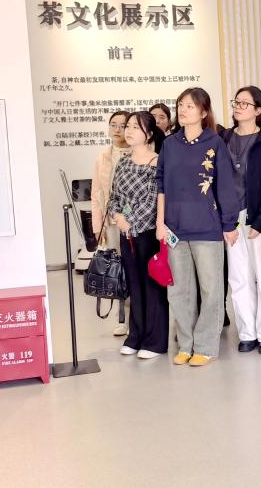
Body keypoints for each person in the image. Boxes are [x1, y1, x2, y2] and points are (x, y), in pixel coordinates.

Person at [155, 87, 240, 367]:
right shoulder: (170, 144)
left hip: (207, 228)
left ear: (204, 112)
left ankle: (205, 346)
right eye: (180, 104)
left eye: (190, 106)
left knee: (211, 289)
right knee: (179, 290)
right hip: (174, 230)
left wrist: (229, 223)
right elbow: (161, 185)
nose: (183, 110)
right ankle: (185, 343)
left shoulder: (215, 143)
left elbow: (226, 186)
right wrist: (160, 223)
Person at [223, 86, 261, 354]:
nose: (238, 107)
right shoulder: (224, 138)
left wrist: (259, 222)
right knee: (239, 277)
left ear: (258, 110)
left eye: (245, 103)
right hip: (232, 216)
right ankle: (247, 332)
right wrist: (225, 220)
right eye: (236, 102)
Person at [107, 111, 168, 360]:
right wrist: (118, 217)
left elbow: (154, 200)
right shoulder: (123, 162)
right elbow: (114, 196)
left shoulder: (157, 162)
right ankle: (135, 336)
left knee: (151, 286)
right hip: (126, 233)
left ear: (149, 134)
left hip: (148, 233)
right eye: (128, 126)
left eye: (135, 127)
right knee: (133, 284)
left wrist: (130, 222)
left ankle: (155, 341)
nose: (129, 131)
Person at [92, 110, 132, 337]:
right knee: (118, 271)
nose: (117, 130)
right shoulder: (103, 157)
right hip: (112, 223)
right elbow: (96, 194)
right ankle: (123, 319)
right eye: (113, 124)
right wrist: (98, 227)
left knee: (136, 271)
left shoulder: (140, 153)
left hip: (135, 223)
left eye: (123, 125)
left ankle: (140, 318)